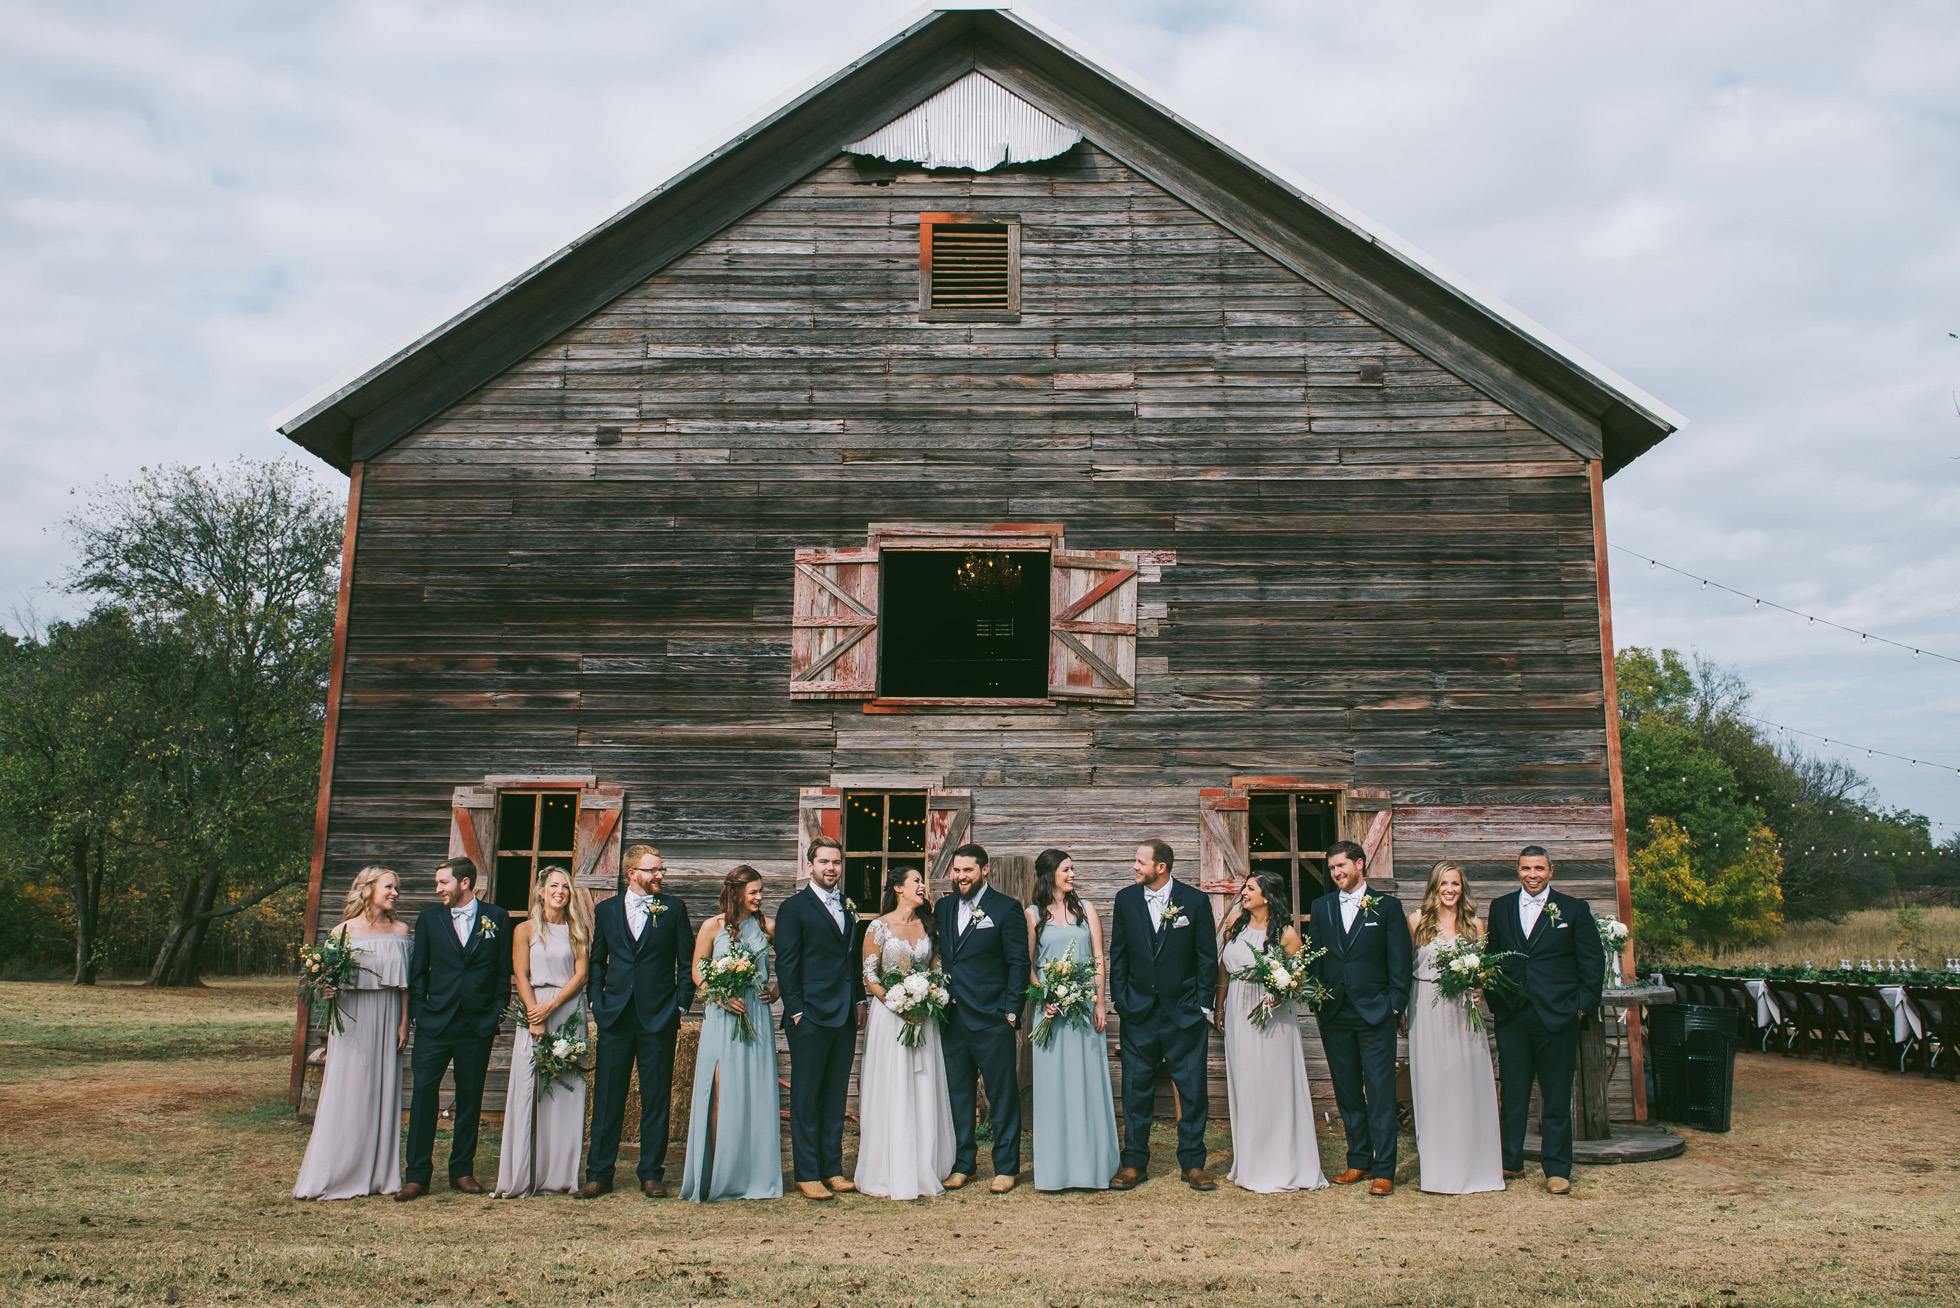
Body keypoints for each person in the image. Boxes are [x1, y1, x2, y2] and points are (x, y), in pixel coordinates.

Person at [1484, 845, 1604, 1195]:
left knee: (1555, 1096)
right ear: (1517, 870)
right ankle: (1511, 1161)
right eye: (1526, 868)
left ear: (1551, 870)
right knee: (1513, 1094)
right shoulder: (1501, 907)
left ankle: (1557, 1168)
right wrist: (1497, 1001)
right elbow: (1493, 956)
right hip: (1513, 1015)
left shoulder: (1574, 909)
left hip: (1558, 1016)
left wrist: (1580, 1007)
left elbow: (1592, 962)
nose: (1532, 875)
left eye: (1539, 868)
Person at [579, 844, 694, 1200]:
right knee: (607, 1097)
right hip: (614, 1016)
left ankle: (651, 1174)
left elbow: (686, 961)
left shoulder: (674, 909)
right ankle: (599, 1174)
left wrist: (680, 1005)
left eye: (661, 869)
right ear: (632, 873)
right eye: (653, 870)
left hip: (658, 1017)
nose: (660, 875)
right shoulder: (606, 910)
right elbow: (597, 960)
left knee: (656, 1097)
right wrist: (597, 1001)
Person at [1108, 838, 1219, 1192]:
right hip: (1138, 1013)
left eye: (1140, 862)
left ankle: (1193, 1164)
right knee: (1135, 1090)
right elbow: (1119, 954)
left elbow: (1206, 957)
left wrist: (1203, 1006)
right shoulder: (1126, 899)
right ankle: (1134, 1163)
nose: (1134, 866)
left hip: (1184, 1013)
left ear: (1161, 867)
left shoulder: (1195, 901)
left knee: (1193, 1091)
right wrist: (1121, 1001)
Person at [294, 865, 411, 1201]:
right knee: (348, 1089)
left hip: (388, 1015)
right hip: (351, 1017)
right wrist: (326, 989)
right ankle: (338, 1170)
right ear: (368, 889)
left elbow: (406, 985)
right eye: (389, 887)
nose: (395, 893)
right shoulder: (341, 932)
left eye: (396, 888)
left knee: (382, 1089)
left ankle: (380, 1174)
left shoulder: (401, 930)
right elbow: (324, 979)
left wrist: (405, 1022)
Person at [399, 855, 512, 1201]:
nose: (438, 889)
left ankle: (462, 1170)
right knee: (423, 1096)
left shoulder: (497, 917)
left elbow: (502, 970)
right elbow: (418, 971)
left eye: (443, 882)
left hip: (476, 1024)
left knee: (470, 1097)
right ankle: (417, 1175)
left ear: (465, 883)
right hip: (435, 1022)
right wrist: (420, 1012)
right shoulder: (428, 919)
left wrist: (496, 1011)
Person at [1305, 839, 1412, 1197]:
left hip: (1375, 1013)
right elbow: (1315, 957)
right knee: (1347, 1089)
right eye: (1332, 868)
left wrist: (1394, 1005)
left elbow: (1399, 961)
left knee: (1380, 1091)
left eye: (1341, 866)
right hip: (1335, 1012)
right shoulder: (1321, 907)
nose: (1336, 873)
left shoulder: (1387, 907)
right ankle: (1359, 1160)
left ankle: (1384, 1169)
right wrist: (1318, 1000)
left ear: (1360, 864)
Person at [1215, 870, 1327, 1195]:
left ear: (1267, 896)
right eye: (1244, 888)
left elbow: (1300, 977)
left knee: (1273, 1085)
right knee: (1247, 1084)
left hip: (1272, 1016)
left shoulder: (1286, 933)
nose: (1243, 893)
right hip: (1238, 1010)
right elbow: (1223, 967)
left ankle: (1281, 1164)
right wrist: (1219, 1006)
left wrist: (1281, 992)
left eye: (1250, 889)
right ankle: (1250, 1163)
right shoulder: (1235, 923)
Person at [679, 865, 783, 1203]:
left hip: (755, 1012)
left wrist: (777, 990)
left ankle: (753, 1175)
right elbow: (697, 972)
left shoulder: (767, 927)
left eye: (761, 891)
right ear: (735, 893)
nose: (759, 897)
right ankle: (718, 1175)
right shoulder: (712, 926)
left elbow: (793, 961)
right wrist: (719, 995)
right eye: (753, 892)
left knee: (755, 1094)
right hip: (722, 1014)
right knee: (720, 1093)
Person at [934, 842, 1031, 1193]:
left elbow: (1019, 962)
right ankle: (965, 1164)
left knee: (1001, 1095)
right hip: (952, 1017)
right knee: (958, 1095)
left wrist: (1011, 1012)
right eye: (957, 870)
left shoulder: (1006, 908)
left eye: (968, 870)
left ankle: (1006, 1167)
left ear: (984, 870)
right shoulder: (943, 907)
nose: (961, 876)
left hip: (992, 1018)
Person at [856, 864, 957, 1200]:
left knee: (924, 1084)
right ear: (898, 888)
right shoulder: (878, 927)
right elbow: (870, 975)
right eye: (916, 881)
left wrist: (928, 998)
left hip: (924, 1016)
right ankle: (890, 1168)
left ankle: (924, 1165)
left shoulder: (929, 926)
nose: (922, 885)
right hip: (891, 1017)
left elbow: (936, 969)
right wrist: (899, 1004)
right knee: (893, 1084)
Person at [1023, 848, 1120, 1193]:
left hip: (1083, 1007)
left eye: (1073, 869)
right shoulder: (1032, 914)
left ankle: (1091, 1167)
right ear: (1050, 874)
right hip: (1050, 1011)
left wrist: (1100, 1001)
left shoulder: (1086, 909)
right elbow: (1028, 965)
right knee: (1053, 1088)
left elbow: (1098, 957)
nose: (1072, 875)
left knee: (1086, 1083)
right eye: (1066, 869)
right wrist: (1044, 998)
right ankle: (1056, 1171)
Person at [1405, 861, 1504, 1195]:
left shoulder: (1474, 924)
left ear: (1463, 888)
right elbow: (1405, 967)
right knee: (1433, 1083)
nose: (1450, 890)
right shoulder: (1417, 921)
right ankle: (1439, 1168)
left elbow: (1482, 971)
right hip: (1426, 1005)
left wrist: (1479, 987)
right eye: (1444, 884)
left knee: (1466, 1081)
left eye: (1456, 884)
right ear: (1434, 887)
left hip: (1463, 1009)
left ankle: (1474, 1163)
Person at [493, 865, 592, 1197]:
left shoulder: (578, 930)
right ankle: (523, 1173)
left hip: (568, 1009)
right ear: (540, 891)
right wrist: (535, 1014)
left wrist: (554, 1005)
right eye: (553, 886)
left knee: (565, 1089)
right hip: (533, 1009)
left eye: (565, 886)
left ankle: (560, 1175)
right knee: (529, 1088)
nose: (559, 891)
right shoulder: (525, 929)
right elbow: (520, 974)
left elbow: (581, 975)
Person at [775, 835, 865, 1201]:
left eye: (836, 862)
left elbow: (852, 958)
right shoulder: (793, 908)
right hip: (809, 1015)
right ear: (809, 865)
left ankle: (833, 1169)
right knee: (807, 1097)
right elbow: (786, 963)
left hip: (844, 1014)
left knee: (835, 1095)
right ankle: (807, 1173)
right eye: (824, 862)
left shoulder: (847, 905)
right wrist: (797, 1010)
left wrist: (859, 999)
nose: (831, 868)